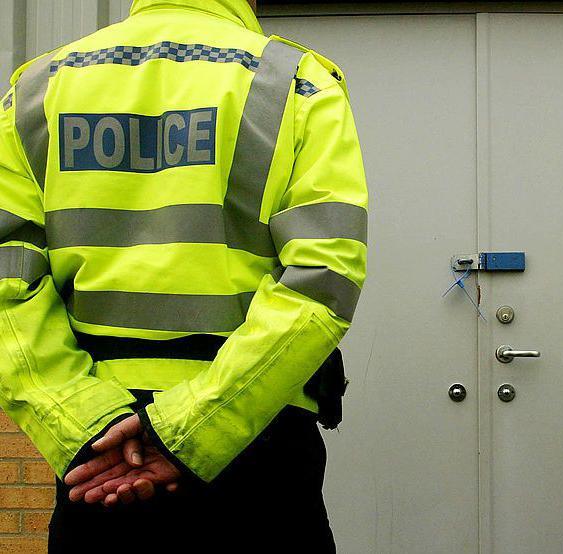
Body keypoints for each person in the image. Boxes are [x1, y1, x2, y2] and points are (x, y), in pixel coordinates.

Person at [0, 0, 367, 550]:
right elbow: (322, 278)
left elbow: (8, 282)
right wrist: (191, 430)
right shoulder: (296, 82)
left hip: (100, 463)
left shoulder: (35, 90)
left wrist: (81, 422)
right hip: (255, 449)